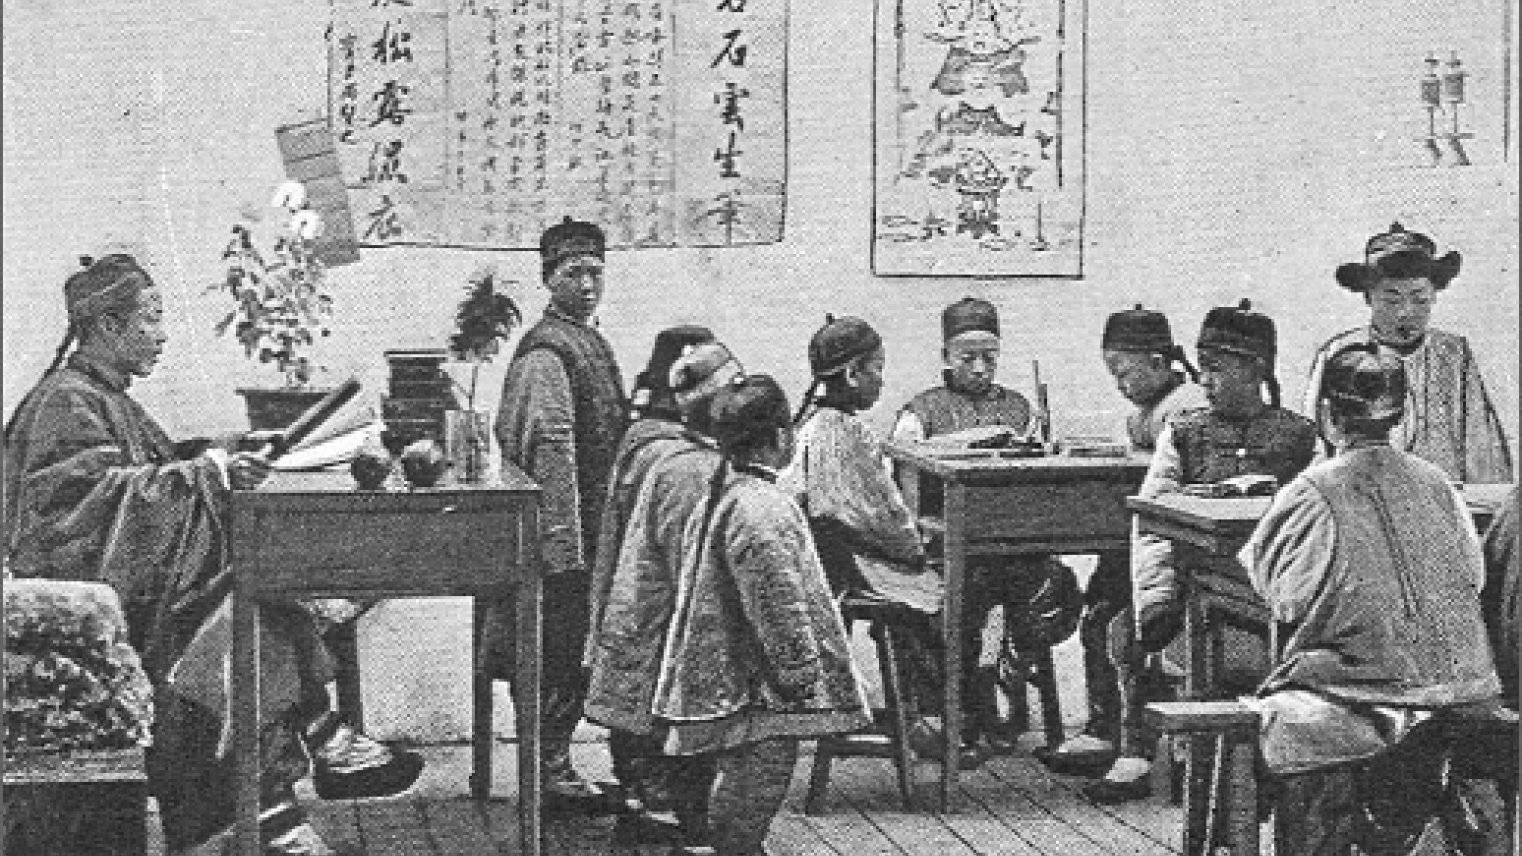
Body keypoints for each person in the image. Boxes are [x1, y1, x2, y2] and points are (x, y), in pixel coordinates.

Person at [3, 254, 422, 856]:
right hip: (107, 620)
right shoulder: (66, 403)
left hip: (142, 603)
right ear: (108, 326)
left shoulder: (100, 396)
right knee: (245, 624)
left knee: (256, 603)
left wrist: (218, 454)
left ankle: (303, 776)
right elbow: (77, 519)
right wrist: (209, 474)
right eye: (151, 319)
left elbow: (147, 470)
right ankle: (302, 777)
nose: (163, 333)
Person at [1243, 343, 1507, 856]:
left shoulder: (1310, 490)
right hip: (1466, 685)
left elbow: (1282, 601)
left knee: (1277, 713)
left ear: (1326, 414)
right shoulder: (1439, 485)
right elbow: (1473, 578)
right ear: (1400, 415)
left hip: (1370, 697)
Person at [1084, 299, 1320, 803]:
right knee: (1131, 634)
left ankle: (1273, 766)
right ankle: (1141, 750)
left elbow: (1320, 522)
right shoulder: (1184, 432)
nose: (1205, 380)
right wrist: (1156, 600)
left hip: (1274, 592)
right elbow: (1149, 522)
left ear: (1256, 369)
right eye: (1203, 368)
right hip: (1194, 591)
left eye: (1217, 369)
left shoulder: (1300, 437)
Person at [654, 374, 870, 856]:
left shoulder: (726, 493)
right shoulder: (761, 509)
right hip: (757, 682)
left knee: (739, 781)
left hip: (732, 673)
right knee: (758, 780)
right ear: (780, 437)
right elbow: (777, 599)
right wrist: (799, 668)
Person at [780, 316, 983, 766]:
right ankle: (932, 721)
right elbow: (876, 516)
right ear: (852, 373)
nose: (881, 381)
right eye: (876, 370)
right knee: (955, 594)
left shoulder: (815, 425)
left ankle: (927, 718)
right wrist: (916, 544)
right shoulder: (845, 433)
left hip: (839, 564)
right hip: (856, 568)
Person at [891, 297, 1082, 755]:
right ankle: (956, 717)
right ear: (945, 357)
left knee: (1057, 589)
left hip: (1013, 546)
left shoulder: (1018, 408)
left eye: (989, 358)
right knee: (951, 607)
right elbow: (904, 478)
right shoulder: (922, 411)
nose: (980, 368)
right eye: (967, 358)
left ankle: (1005, 680)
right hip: (948, 546)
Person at [486, 217, 628, 813]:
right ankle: (548, 769)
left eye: (596, 272)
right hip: (560, 533)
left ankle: (555, 763)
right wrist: (561, 544)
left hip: (590, 526)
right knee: (554, 647)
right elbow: (550, 445)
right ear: (550, 279)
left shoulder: (587, 339)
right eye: (574, 273)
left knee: (571, 648)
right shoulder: (548, 351)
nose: (588, 284)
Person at [584, 330, 742, 851]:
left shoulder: (645, 440)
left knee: (649, 778)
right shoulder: (685, 465)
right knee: (669, 784)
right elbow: (689, 569)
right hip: (663, 639)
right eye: (732, 388)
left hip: (635, 628)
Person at [1043, 304, 1206, 775]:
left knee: (1124, 628)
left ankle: (1135, 744)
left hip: (1169, 548)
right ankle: (1103, 729)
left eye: (1124, 373)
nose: (1119, 385)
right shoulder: (1150, 411)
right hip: (1132, 538)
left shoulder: (1185, 409)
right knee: (1097, 616)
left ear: (1158, 362)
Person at [1305, 222, 1513, 483]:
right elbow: (1315, 442)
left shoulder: (1455, 354)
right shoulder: (1338, 352)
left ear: (1434, 297)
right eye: (1392, 300)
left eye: (1420, 299)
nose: (1406, 311)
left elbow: (1481, 444)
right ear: (1369, 298)